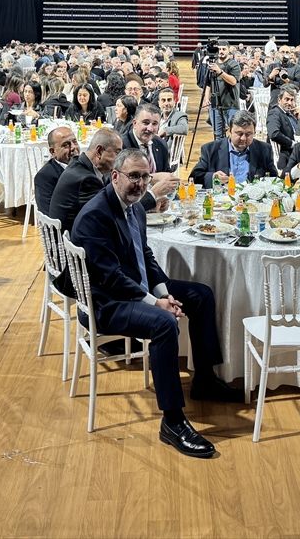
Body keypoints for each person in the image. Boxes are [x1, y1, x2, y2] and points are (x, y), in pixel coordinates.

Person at [70, 149, 239, 458]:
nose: (141, 184)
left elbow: (144, 255)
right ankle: (172, 422)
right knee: (163, 324)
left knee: (201, 295)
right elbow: (110, 278)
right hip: (106, 303)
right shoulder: (96, 215)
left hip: (134, 286)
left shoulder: (133, 206)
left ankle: (205, 379)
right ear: (115, 176)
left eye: (146, 177)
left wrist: (162, 292)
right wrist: (154, 303)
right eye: (134, 176)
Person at [50, 128, 125, 233]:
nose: (119, 160)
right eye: (117, 153)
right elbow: (107, 215)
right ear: (99, 151)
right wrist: (152, 196)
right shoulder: (87, 180)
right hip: (73, 245)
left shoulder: (78, 164)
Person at [189, 111, 278, 188]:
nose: (243, 138)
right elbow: (194, 177)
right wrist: (213, 177)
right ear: (229, 131)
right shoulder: (211, 149)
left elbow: (273, 179)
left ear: (254, 132)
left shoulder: (264, 149)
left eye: (248, 134)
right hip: (221, 201)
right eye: (239, 133)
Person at [34, 126, 78, 216]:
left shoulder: (85, 166)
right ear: (53, 151)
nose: (73, 147)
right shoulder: (45, 177)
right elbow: (49, 214)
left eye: (74, 142)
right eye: (66, 145)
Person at [120, 103, 172, 176]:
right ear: (134, 123)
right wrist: (152, 179)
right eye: (146, 123)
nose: (150, 129)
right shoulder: (121, 145)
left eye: (154, 124)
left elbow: (167, 172)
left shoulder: (161, 144)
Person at [203, 45, 241, 140]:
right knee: (218, 135)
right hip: (215, 106)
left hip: (231, 105)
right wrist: (206, 98)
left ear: (228, 50)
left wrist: (220, 72)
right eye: (219, 49)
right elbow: (208, 84)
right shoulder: (212, 65)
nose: (221, 51)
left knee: (235, 133)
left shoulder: (234, 64)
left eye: (224, 49)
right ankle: (220, 154)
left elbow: (233, 81)